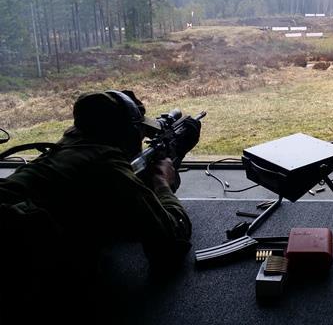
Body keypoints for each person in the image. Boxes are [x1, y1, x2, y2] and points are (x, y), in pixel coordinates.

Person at [0, 90, 201, 324]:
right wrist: (162, 183)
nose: (140, 137)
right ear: (124, 134)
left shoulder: (65, 152)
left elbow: (98, 212)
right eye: (138, 130)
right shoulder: (106, 165)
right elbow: (170, 244)